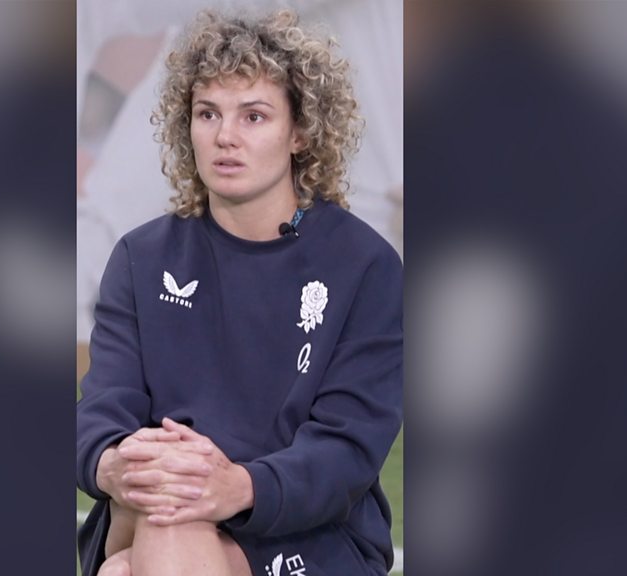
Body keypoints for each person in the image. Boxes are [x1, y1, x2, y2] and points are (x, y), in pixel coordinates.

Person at [76, 9, 403, 576]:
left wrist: (237, 485)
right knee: (170, 505)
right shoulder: (141, 257)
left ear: (300, 132)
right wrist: (116, 466)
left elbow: (346, 450)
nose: (225, 136)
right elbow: (103, 409)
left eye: (254, 116)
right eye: (208, 113)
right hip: (155, 501)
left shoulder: (364, 265)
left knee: (130, 563)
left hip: (310, 530)